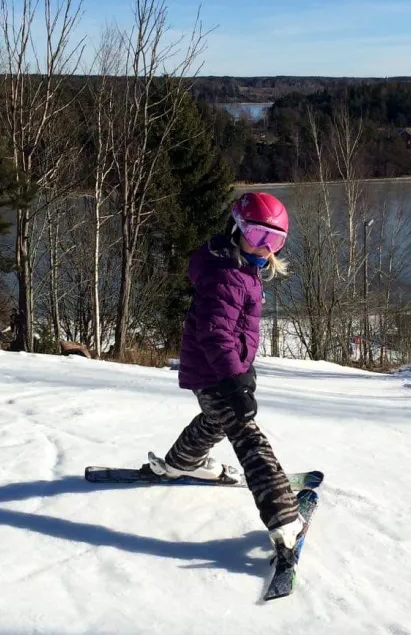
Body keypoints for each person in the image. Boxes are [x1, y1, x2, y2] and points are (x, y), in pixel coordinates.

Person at [149, 192, 304, 551]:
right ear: (235, 229)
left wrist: (241, 370)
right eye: (257, 236)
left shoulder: (240, 270)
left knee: (215, 419)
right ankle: (282, 517)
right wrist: (234, 379)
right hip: (216, 372)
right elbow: (215, 333)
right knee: (248, 437)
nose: (264, 248)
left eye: (274, 241)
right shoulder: (226, 277)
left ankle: (182, 462)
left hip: (218, 370)